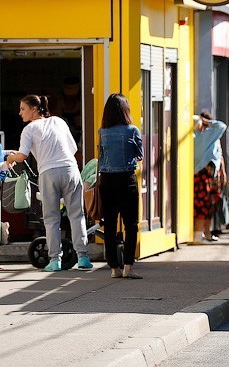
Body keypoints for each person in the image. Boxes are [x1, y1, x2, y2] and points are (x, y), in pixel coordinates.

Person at [5, 94, 92, 271]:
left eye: (23, 108)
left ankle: (55, 260)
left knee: (52, 219)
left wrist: (10, 157)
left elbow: (22, 156)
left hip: (48, 173)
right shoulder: (59, 121)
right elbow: (73, 148)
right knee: (77, 214)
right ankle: (83, 257)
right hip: (70, 170)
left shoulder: (29, 129)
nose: (20, 113)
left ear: (34, 109)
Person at [97, 93, 143, 279]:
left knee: (109, 224)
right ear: (126, 110)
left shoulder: (103, 132)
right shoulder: (132, 130)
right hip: (127, 180)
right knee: (130, 225)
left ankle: (114, 268)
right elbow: (140, 154)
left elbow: (102, 156)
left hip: (107, 180)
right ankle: (128, 267)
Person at [192, 111, 226, 244]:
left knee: (199, 204)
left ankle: (199, 233)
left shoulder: (192, 137)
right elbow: (222, 126)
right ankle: (198, 235)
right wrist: (207, 122)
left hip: (196, 174)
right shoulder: (206, 136)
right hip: (205, 174)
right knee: (204, 205)